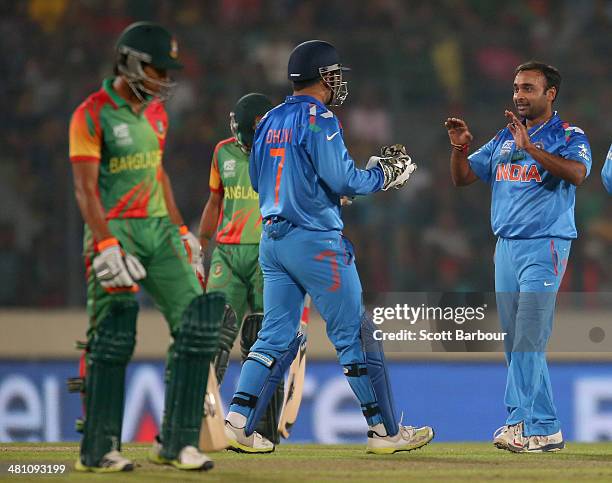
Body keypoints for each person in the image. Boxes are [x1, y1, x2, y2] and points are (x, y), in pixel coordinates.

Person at [223, 39, 433, 455]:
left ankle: (238, 424)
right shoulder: (321, 118)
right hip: (316, 243)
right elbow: (346, 180)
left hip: (273, 240)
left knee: (274, 337)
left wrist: (318, 193)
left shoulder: (268, 120)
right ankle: (384, 431)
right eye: (334, 73)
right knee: (355, 334)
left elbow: (260, 183)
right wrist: (384, 176)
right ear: (322, 76)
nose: (338, 81)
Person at [68, 21, 223, 472]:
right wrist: (106, 245)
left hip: (158, 230)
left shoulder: (156, 114)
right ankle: (97, 451)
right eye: (157, 70)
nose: (164, 79)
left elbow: (158, 176)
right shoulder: (91, 113)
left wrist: (180, 231)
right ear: (132, 63)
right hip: (115, 229)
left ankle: (176, 444)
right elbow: (85, 190)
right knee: (114, 334)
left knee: (199, 322)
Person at [445, 61, 592, 453]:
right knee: (517, 344)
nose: (519, 95)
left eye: (528, 88)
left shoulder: (568, 135)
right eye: (516, 87)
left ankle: (518, 424)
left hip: (545, 245)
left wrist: (533, 149)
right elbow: (463, 178)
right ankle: (547, 428)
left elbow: (577, 174)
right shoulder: (505, 138)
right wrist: (460, 148)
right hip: (506, 248)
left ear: (550, 94)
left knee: (528, 337)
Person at [198, 93, 285, 443]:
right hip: (228, 255)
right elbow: (215, 200)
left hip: (269, 252)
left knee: (263, 339)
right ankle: (200, 421)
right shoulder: (222, 152)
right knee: (212, 334)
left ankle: (260, 427)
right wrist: (199, 243)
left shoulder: (284, 149)